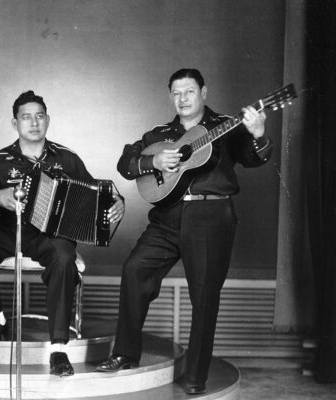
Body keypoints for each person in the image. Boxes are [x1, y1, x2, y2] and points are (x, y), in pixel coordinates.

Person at [95, 69, 273, 395]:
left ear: (204, 92)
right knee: (135, 269)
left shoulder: (225, 126)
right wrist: (155, 162)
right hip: (166, 217)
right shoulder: (160, 133)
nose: (182, 99)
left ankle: (195, 377)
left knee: (204, 298)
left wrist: (259, 134)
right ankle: (124, 354)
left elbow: (254, 158)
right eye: (176, 93)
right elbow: (126, 162)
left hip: (211, 216)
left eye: (189, 92)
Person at [0, 90, 125, 376]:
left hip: (53, 232)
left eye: (39, 116)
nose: (33, 122)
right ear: (15, 123)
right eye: (26, 117)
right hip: (11, 226)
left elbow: (96, 193)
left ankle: (58, 349)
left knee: (63, 259)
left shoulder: (68, 158)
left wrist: (117, 200)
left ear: (47, 120)